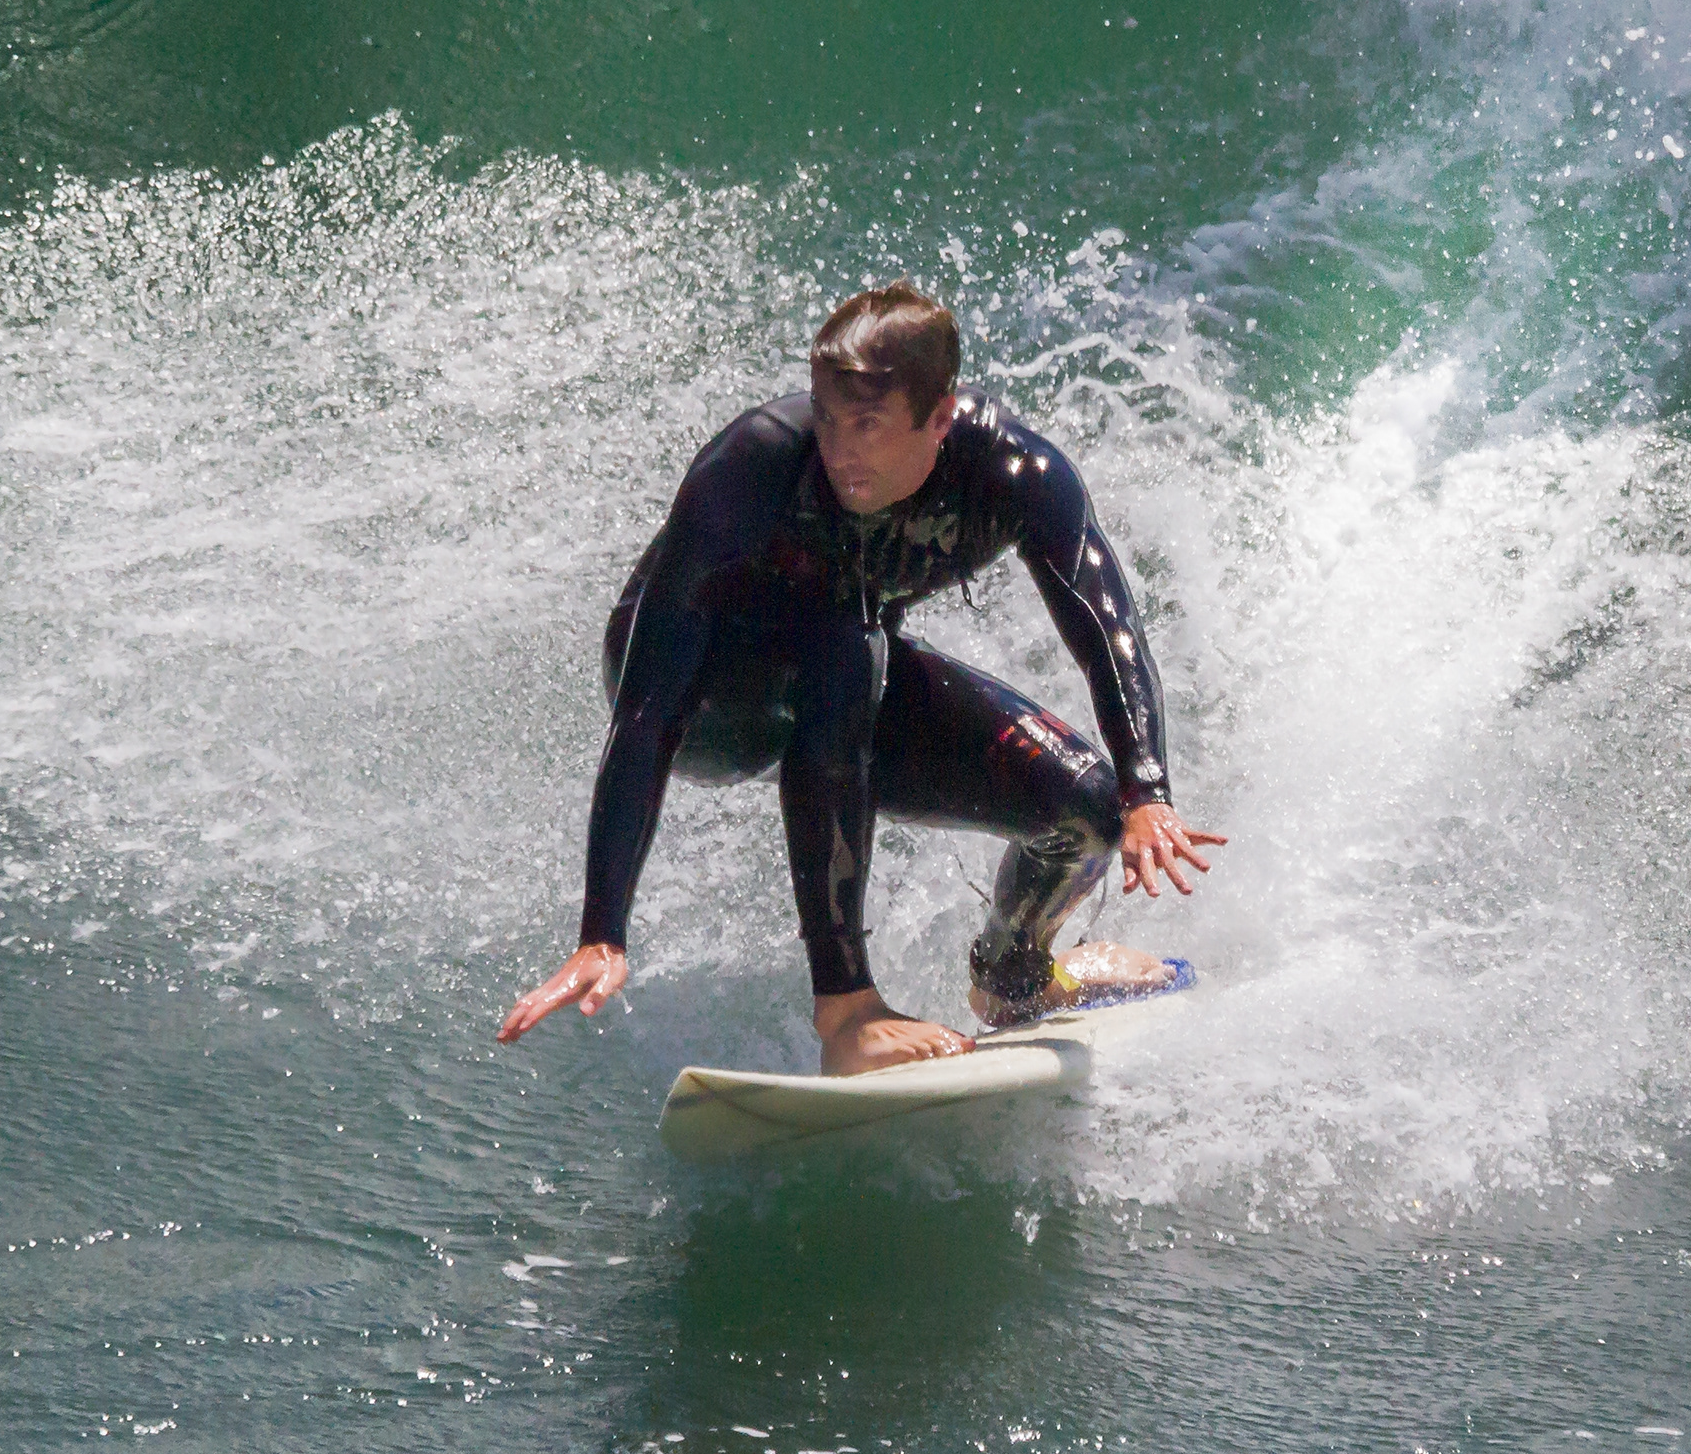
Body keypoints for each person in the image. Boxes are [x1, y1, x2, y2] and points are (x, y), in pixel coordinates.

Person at [494, 283, 1225, 1075]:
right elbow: (645, 709)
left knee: (1085, 808)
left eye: (869, 424)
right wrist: (603, 926)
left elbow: (1105, 625)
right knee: (846, 637)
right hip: (703, 691)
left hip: (845, 675)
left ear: (939, 419)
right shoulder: (753, 466)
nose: (841, 449)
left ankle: (1016, 976)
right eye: (829, 416)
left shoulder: (1015, 473)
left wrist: (1146, 789)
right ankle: (846, 1010)